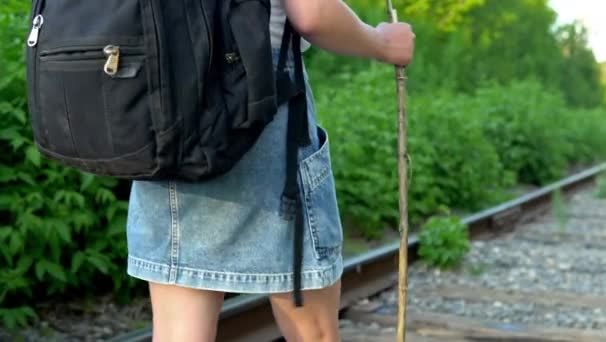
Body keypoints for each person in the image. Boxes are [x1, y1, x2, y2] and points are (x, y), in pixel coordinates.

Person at [125, 0, 415, 341]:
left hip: (164, 108)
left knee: (180, 332)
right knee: (312, 332)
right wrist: (381, 41)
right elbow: (311, 14)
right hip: (260, 107)